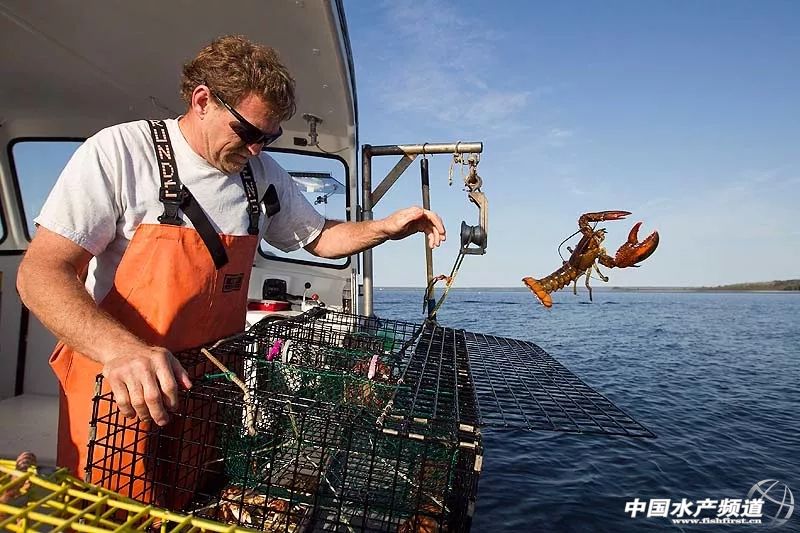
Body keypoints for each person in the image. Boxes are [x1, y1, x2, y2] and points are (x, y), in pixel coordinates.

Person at [15, 35, 445, 486]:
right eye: (249, 133)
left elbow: (319, 237)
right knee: (112, 508)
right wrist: (121, 350)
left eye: (269, 137)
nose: (258, 149)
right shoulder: (121, 152)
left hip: (206, 389)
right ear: (203, 101)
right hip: (120, 390)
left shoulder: (262, 175)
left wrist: (385, 228)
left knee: (194, 499)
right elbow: (41, 272)